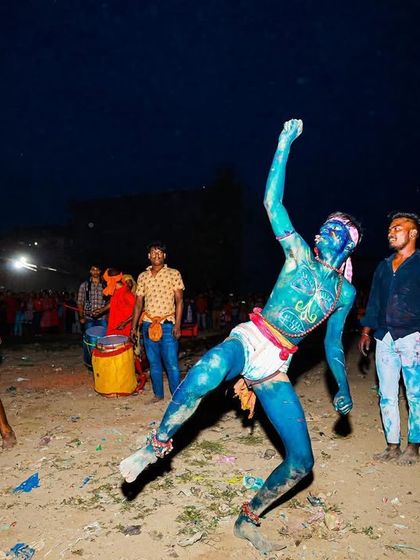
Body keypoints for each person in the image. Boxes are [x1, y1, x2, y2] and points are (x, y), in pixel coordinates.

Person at [120, 119, 362, 554]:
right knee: (209, 366)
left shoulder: (344, 292)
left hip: (277, 364)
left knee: (302, 462)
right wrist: (284, 144)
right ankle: (155, 447)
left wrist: (343, 389)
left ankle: (248, 516)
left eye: (336, 229)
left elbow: (331, 345)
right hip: (253, 337)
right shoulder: (298, 254)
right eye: (325, 225)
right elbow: (272, 201)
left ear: (348, 244)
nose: (325, 230)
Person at [359, 212, 419, 465]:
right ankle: (392, 445)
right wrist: (366, 330)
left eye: (397, 228)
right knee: (387, 394)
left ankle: (414, 446)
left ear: (413, 232)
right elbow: (373, 301)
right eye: (389, 229)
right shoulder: (383, 267)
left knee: (415, 394)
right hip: (384, 337)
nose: (391, 232)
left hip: (413, 336)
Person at [130, 242, 184, 403]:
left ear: (164, 256)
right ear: (149, 256)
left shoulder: (174, 273)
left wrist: (178, 325)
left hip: (168, 324)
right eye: (153, 253)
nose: (156, 255)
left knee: (172, 363)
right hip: (147, 324)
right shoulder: (142, 276)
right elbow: (138, 303)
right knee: (153, 362)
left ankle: (177, 396)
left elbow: (180, 301)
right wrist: (133, 327)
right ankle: (158, 394)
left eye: (160, 252)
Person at [95, 268, 136, 338]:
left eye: (107, 281)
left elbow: (138, 310)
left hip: (123, 330)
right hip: (113, 328)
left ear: (111, 281)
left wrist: (125, 323)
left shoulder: (127, 293)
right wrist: (101, 310)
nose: (106, 284)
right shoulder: (116, 291)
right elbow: (113, 303)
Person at [77, 265, 108, 330]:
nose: (95, 272)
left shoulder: (105, 285)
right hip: (88, 319)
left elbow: (109, 302)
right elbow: (80, 302)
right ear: (90, 271)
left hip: (102, 318)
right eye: (93, 270)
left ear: (100, 271)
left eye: (97, 270)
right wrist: (81, 317)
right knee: (90, 339)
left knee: (102, 339)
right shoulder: (84, 285)